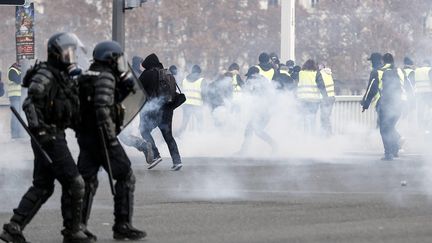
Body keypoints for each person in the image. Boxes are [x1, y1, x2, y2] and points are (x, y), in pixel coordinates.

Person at [0, 32, 91, 243]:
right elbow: (29, 104)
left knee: (43, 185)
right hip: (49, 138)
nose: (72, 55)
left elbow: (66, 109)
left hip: (51, 135)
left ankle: (14, 227)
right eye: (70, 51)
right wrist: (41, 132)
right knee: (75, 183)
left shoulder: (61, 75)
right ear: (58, 52)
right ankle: (72, 231)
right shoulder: (47, 74)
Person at [77, 40, 146, 240]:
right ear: (110, 58)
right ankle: (122, 225)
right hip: (103, 138)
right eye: (117, 59)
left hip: (87, 137)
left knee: (87, 182)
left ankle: (77, 228)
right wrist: (110, 138)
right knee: (125, 176)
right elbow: (101, 107)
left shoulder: (87, 75)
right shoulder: (106, 77)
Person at [138, 53, 183, 171]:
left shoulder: (147, 74)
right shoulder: (167, 73)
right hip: (167, 108)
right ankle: (177, 161)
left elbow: (137, 89)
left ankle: (155, 155)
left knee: (144, 130)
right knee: (168, 136)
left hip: (153, 110)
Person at [362, 53, 404, 160]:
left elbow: (371, 89)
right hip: (399, 104)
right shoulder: (399, 71)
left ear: (382, 61)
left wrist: (365, 104)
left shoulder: (378, 72)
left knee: (384, 129)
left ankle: (388, 154)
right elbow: (407, 86)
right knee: (390, 127)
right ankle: (395, 149)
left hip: (385, 105)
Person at [237, 66, 276, 154]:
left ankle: (274, 145)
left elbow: (247, 92)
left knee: (253, 130)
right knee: (252, 130)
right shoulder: (265, 80)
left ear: (251, 74)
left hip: (260, 111)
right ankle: (244, 150)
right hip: (265, 110)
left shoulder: (251, 80)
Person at [296, 59, 328, 134]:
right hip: (314, 100)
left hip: (302, 99)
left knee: (304, 119)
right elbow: (322, 86)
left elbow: (295, 85)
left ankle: (305, 136)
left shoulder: (300, 73)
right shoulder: (316, 74)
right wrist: (325, 97)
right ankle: (312, 136)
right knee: (312, 118)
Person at [178, 64, 205, 133]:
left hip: (186, 104)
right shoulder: (201, 80)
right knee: (200, 122)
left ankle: (180, 136)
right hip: (197, 105)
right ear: (199, 72)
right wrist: (204, 102)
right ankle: (201, 136)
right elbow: (204, 93)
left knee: (184, 122)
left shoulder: (184, 80)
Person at [414, 60, 432, 131]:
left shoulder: (417, 70)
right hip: (428, 92)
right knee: (429, 109)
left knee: (420, 109)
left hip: (418, 92)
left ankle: (420, 126)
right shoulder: (430, 70)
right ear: (428, 64)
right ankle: (427, 124)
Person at [7, 62, 23, 139]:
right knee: (15, 115)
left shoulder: (17, 71)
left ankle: (18, 133)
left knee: (19, 115)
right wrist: (23, 74)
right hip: (14, 96)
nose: (20, 67)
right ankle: (14, 134)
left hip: (18, 96)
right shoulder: (12, 70)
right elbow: (17, 80)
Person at [319, 63, 336, 136]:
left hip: (324, 98)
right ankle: (329, 133)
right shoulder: (329, 74)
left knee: (323, 117)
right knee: (327, 117)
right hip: (331, 98)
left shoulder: (320, 75)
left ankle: (326, 134)